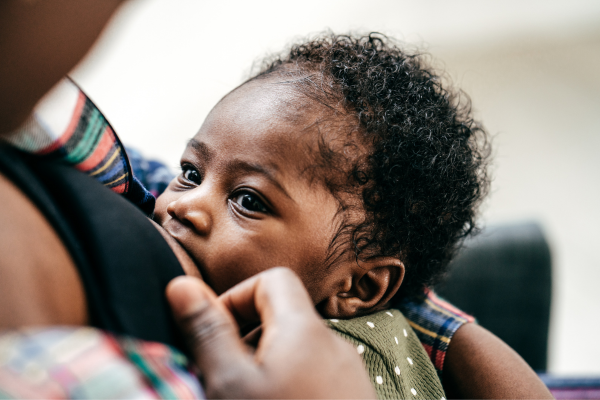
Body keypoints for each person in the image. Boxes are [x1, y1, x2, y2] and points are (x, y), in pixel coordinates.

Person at [0, 1, 553, 398]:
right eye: (190, 171)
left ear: (361, 287)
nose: (183, 205)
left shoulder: (383, 335)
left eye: (248, 200)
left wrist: (449, 333)